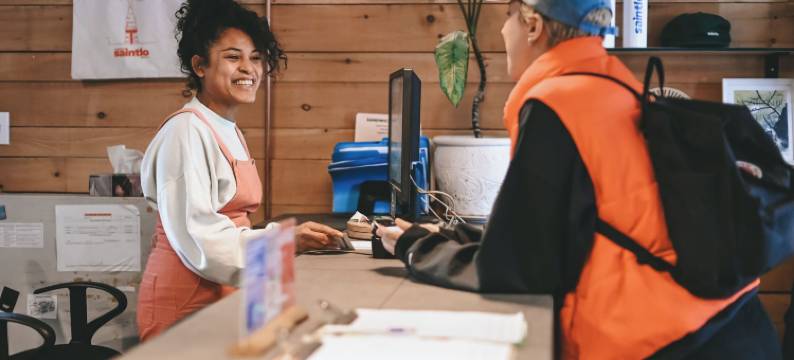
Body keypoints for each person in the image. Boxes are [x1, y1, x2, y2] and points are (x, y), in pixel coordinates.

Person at [377, 0, 782, 358]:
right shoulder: (614, 85)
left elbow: (516, 271)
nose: (503, 30)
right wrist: (454, 236)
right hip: (730, 327)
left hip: (672, 342)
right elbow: (556, 237)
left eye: (507, 15)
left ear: (533, 26)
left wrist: (414, 246)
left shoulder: (559, 101)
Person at [137, 0, 342, 340]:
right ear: (200, 65)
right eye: (233, 57)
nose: (249, 69)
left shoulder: (225, 127)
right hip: (187, 299)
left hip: (221, 288)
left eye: (257, 58)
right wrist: (284, 242)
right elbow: (202, 238)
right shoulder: (186, 132)